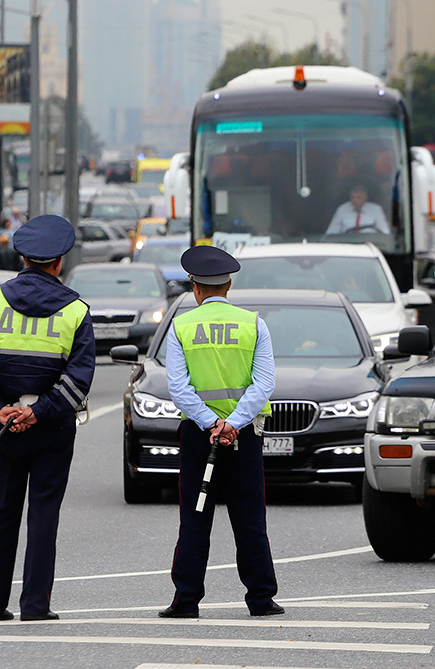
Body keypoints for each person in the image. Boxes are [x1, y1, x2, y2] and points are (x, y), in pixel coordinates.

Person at [0, 214, 96, 623]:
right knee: (43, 515)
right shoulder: (75, 310)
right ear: (59, 263)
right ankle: (35, 606)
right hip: (51, 429)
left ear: (21, 257)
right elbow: (79, 379)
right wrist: (39, 411)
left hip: (3, 426)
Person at [160, 245, 281, 620]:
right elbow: (264, 383)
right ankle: (261, 599)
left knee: (195, 517)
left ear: (195, 288)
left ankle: (186, 600)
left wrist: (210, 424)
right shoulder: (253, 324)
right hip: (243, 438)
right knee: (249, 519)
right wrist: (233, 424)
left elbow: (179, 388)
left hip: (199, 437)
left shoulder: (181, 325)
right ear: (228, 285)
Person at [325, 184, 390, 235]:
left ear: (365, 198)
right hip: (347, 244)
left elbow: (385, 232)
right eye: (352, 197)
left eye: (358, 197)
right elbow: (331, 232)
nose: (354, 200)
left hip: (370, 244)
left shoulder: (376, 209)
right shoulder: (342, 209)